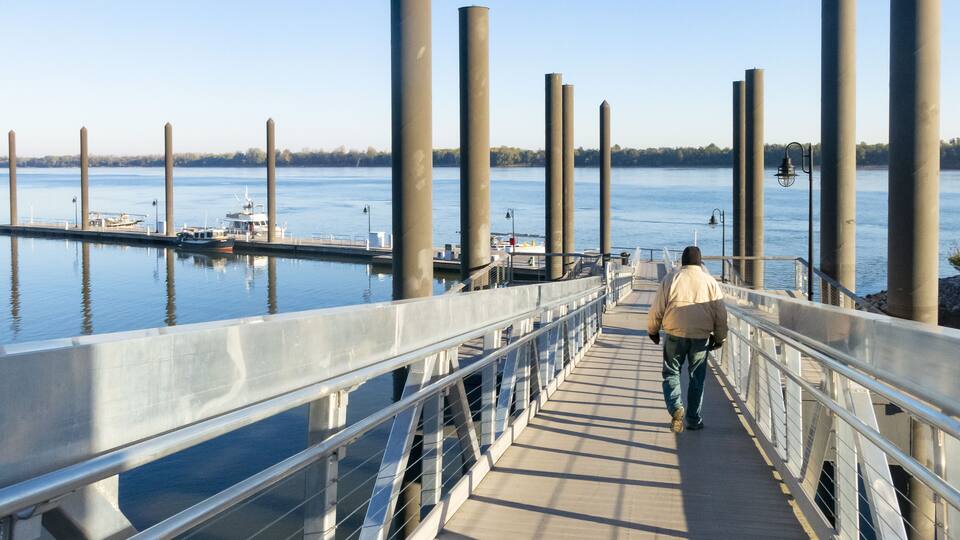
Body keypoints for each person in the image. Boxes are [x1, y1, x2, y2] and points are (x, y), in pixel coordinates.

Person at [647, 246, 727, 433]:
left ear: (683, 262)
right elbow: (721, 314)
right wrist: (720, 338)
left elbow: (657, 307)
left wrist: (653, 330)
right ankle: (693, 419)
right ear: (700, 262)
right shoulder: (710, 282)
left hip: (674, 334)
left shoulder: (671, 279)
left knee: (671, 373)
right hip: (701, 337)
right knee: (696, 378)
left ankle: (676, 408)